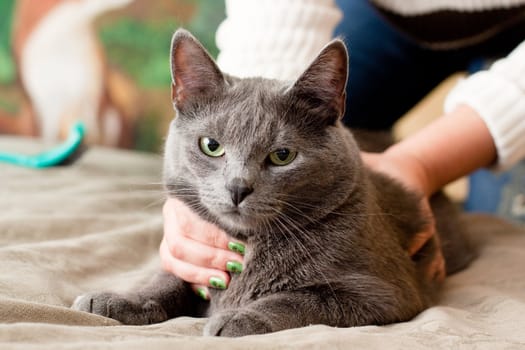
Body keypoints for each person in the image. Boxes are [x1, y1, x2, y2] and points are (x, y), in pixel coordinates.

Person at [160, 0, 525, 298]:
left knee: (502, 219)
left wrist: (419, 164)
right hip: (389, 12)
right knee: (304, 129)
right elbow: (255, 107)